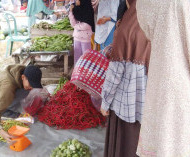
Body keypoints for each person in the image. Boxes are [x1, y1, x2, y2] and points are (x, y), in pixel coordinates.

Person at [136, 0, 190, 156]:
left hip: (159, 76)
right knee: (179, 141)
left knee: (162, 139)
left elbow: (148, 32)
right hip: (182, 83)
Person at [100, 0, 151, 156]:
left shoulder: (129, 26)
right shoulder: (150, 18)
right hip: (147, 103)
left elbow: (116, 71)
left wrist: (105, 101)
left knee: (125, 145)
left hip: (126, 103)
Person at [0, 65, 42, 144]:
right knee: (24, 91)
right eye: (31, 84)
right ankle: (10, 108)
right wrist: (1, 130)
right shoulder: (8, 88)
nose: (32, 87)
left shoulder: (22, 70)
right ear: (23, 77)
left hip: (3, 93)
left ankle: (14, 110)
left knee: (27, 89)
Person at [68, 0, 95, 64]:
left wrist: (76, 26)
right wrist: (71, 11)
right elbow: (72, 23)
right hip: (77, 37)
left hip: (85, 38)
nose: (76, 1)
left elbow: (86, 26)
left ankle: (85, 73)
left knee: (86, 58)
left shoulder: (88, 10)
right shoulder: (76, 10)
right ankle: (77, 72)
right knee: (76, 59)